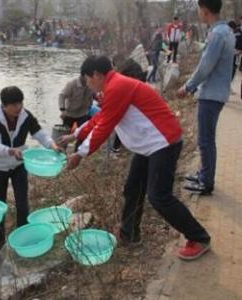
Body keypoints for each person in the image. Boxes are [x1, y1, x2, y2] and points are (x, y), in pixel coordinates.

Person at [60, 55, 211, 260]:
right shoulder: (114, 87)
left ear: (96, 75)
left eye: (87, 79)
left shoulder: (118, 86)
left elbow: (105, 126)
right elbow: (101, 118)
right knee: (133, 188)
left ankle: (199, 238)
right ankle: (129, 235)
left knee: (159, 196)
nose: (87, 84)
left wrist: (79, 153)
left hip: (162, 142)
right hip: (148, 146)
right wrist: (74, 135)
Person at [0, 86, 60, 256]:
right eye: (14, 104)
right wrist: (10, 151)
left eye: (20, 103)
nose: (18, 107)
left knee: (22, 203)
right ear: (4, 106)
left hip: (20, 164)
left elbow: (40, 134)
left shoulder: (26, 116)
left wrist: (53, 146)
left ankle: (24, 238)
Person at [177, 0, 235, 195]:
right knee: (207, 139)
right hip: (217, 92)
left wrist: (188, 86)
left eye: (199, 10)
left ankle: (206, 181)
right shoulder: (226, 31)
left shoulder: (217, 34)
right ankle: (204, 174)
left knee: (205, 140)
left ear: (205, 10)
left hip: (211, 94)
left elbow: (205, 66)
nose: (198, 14)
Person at [58, 74, 93, 151]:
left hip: (83, 113)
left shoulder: (91, 83)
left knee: (83, 134)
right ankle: (61, 151)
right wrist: (62, 110)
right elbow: (62, 96)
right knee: (65, 133)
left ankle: (77, 152)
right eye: (87, 77)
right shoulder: (72, 84)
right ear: (83, 76)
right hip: (69, 113)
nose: (89, 80)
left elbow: (92, 96)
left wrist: (90, 106)